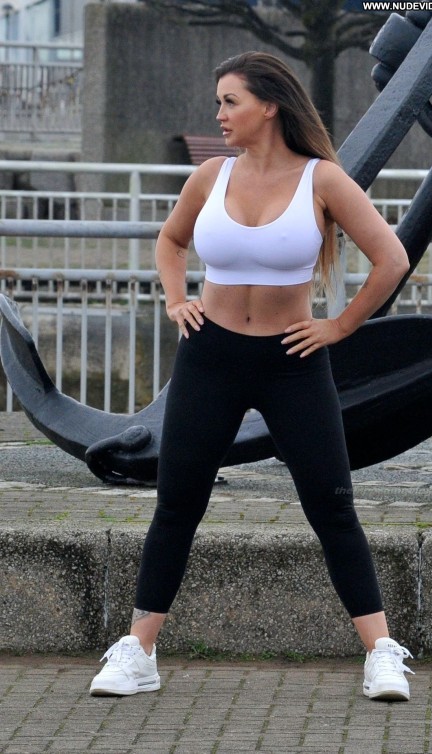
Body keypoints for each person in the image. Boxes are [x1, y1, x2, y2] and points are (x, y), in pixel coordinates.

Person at [90, 51, 413, 701]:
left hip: (292, 362)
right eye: (219, 102)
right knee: (177, 502)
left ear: (269, 105)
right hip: (209, 356)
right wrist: (176, 299)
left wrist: (339, 326)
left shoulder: (322, 180)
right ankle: (138, 652)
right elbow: (171, 240)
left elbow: (392, 258)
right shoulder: (211, 176)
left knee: (332, 505)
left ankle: (381, 653)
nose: (219, 113)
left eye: (230, 101)